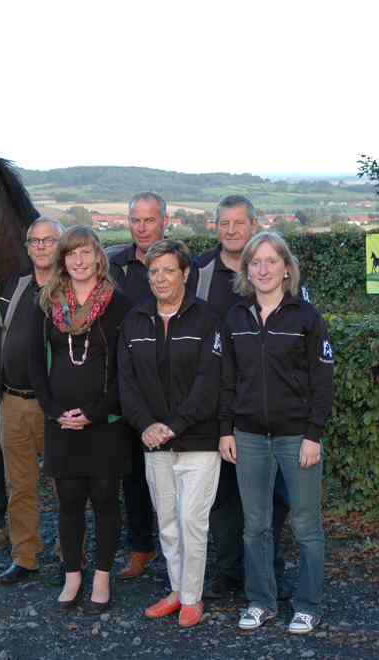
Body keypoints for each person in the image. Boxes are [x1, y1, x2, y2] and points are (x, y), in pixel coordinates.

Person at [219, 232, 334, 635]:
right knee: (255, 526)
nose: (263, 269)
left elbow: (323, 382)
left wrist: (313, 435)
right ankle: (261, 602)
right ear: (246, 270)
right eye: (255, 262)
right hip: (247, 436)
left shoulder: (306, 318)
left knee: (305, 525)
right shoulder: (235, 317)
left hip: (295, 437)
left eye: (271, 261)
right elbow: (226, 380)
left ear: (287, 268)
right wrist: (226, 430)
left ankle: (308, 605)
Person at [192, 195, 292, 601]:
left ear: (253, 225)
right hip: (214, 404)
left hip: (269, 407)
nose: (231, 230)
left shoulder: (271, 268)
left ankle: (268, 571)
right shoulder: (198, 272)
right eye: (223, 223)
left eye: (239, 223)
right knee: (223, 498)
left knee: (276, 497)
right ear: (215, 227)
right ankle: (227, 572)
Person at [29, 226, 134, 613]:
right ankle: (73, 575)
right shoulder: (46, 303)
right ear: (63, 260)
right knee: (69, 501)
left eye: (86, 252)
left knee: (106, 499)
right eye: (72, 253)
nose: (79, 260)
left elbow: (127, 371)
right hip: (61, 423)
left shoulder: (119, 306)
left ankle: (102, 577)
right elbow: (34, 364)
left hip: (104, 423)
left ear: (98, 257)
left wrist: (93, 414)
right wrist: (56, 412)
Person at [118, 240, 222, 628]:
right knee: (167, 522)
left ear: (185, 274)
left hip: (198, 441)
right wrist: (145, 425)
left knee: (192, 520)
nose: (160, 278)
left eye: (168, 270)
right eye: (154, 271)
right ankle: (177, 591)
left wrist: (174, 426)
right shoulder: (135, 319)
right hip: (152, 441)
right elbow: (126, 382)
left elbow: (209, 382)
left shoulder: (207, 319)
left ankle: (193, 598)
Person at [0, 218, 65, 584]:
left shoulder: (72, 287)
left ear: (61, 244)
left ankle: (70, 555)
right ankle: (25, 556)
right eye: (34, 241)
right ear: (27, 247)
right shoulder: (16, 284)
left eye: (48, 240)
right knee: (19, 484)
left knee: (65, 482)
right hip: (13, 401)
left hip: (56, 403)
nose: (40, 247)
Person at [106, 191, 168, 580]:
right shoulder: (113, 266)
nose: (142, 228)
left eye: (150, 220)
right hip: (126, 384)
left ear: (164, 220)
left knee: (177, 473)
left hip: (170, 384)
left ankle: (180, 551)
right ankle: (141, 548)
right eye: (136, 221)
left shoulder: (181, 264)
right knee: (133, 474)